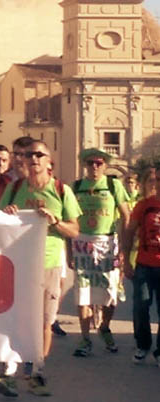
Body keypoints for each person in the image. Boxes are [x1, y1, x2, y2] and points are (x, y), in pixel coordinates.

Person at [0, 140, 81, 397]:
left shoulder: (61, 190)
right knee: (16, 318)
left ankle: (37, 372)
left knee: (44, 321)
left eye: (39, 154)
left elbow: (74, 230)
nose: (33, 159)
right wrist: (7, 213)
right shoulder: (14, 188)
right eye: (29, 154)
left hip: (49, 263)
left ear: (49, 161)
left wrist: (55, 222)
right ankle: (10, 371)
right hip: (19, 264)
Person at [70, 149, 130, 357]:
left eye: (98, 163)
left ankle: (104, 327)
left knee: (110, 293)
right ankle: (85, 338)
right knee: (83, 293)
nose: (94, 167)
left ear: (105, 165)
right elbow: (69, 218)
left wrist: (124, 247)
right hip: (82, 243)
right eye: (90, 163)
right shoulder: (76, 187)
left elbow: (126, 216)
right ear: (84, 165)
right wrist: (69, 250)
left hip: (107, 243)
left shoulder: (113, 185)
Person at [122, 166, 160, 366]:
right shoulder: (143, 206)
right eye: (156, 179)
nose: (157, 183)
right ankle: (143, 345)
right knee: (141, 307)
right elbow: (129, 232)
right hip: (144, 264)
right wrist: (126, 260)